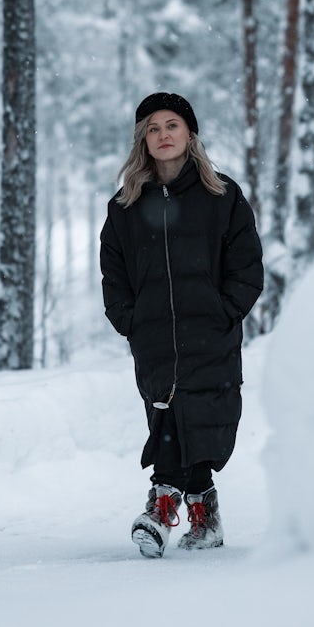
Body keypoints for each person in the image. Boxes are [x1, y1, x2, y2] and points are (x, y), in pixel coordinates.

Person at [100, 92, 263, 558]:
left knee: (200, 419)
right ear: (143, 142)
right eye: (153, 128)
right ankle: (202, 515)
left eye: (172, 125)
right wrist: (130, 321)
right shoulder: (125, 207)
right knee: (167, 416)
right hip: (154, 339)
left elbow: (247, 265)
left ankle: (161, 504)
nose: (163, 135)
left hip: (210, 334)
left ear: (189, 134)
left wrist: (225, 310)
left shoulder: (222, 196)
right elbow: (113, 273)